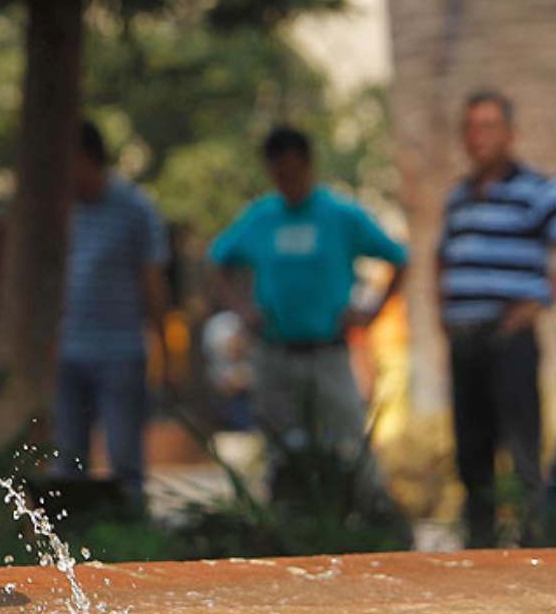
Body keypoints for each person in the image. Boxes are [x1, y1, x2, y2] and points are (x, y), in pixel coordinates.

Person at [208, 126, 407, 473]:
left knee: (348, 448)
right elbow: (217, 261)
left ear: (307, 165)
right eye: (278, 174)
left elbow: (398, 257)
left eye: (292, 172)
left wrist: (371, 312)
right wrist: (241, 309)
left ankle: (366, 517)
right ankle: (288, 519)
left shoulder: (341, 215)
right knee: (281, 454)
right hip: (274, 353)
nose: (286, 181)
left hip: (328, 352)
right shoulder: (261, 217)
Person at [438, 91, 554, 548]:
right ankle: (479, 555)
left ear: (509, 133)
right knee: (472, 453)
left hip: (509, 338)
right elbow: (441, 259)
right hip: (464, 339)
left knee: (522, 451)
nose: (478, 137)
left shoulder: (537, 191)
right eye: (470, 127)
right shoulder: (459, 198)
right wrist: (443, 313)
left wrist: (537, 299)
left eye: (488, 126)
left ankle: (534, 552)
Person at [50, 121, 169, 505]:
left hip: (120, 352)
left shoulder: (135, 209)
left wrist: (163, 346)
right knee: (68, 459)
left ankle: (130, 537)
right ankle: (72, 538)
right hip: (68, 351)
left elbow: (152, 282)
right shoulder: (62, 211)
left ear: (88, 159)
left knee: (124, 459)